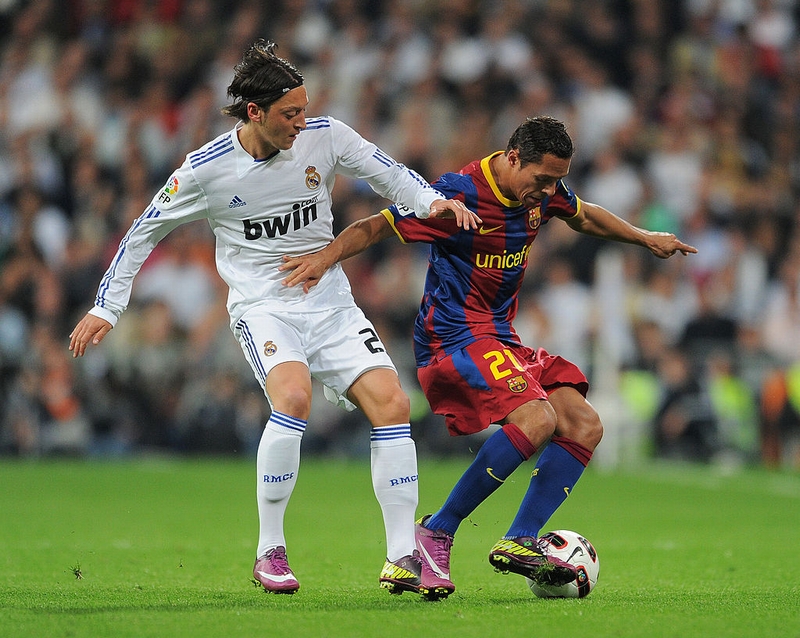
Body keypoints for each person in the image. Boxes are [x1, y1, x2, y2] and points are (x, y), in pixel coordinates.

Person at [68, 39, 478, 599]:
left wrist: (432, 202)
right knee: (293, 397)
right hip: (263, 305)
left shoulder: (325, 136)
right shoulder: (206, 170)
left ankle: (403, 555)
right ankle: (270, 550)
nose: (301, 122)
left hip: (330, 301)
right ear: (254, 112)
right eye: (290, 113)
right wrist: (107, 306)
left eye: (304, 109)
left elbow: (389, 173)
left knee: (393, 404)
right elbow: (143, 232)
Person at [280, 115, 697, 594]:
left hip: (499, 337)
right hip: (451, 337)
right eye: (543, 179)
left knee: (584, 424)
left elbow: (583, 214)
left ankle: (520, 539)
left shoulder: (542, 191)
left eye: (557, 180)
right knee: (537, 417)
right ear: (513, 158)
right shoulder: (457, 195)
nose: (549, 191)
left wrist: (644, 237)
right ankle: (436, 531)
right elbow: (377, 226)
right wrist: (324, 258)